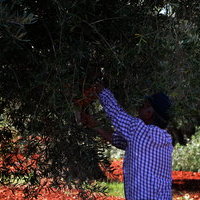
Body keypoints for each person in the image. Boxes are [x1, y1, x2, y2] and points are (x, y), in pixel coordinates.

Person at [81, 84, 173, 200]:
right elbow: (120, 141)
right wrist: (97, 127)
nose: (139, 108)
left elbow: (116, 113)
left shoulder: (140, 130)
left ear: (150, 112)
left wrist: (101, 90)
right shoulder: (165, 138)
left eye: (143, 106)